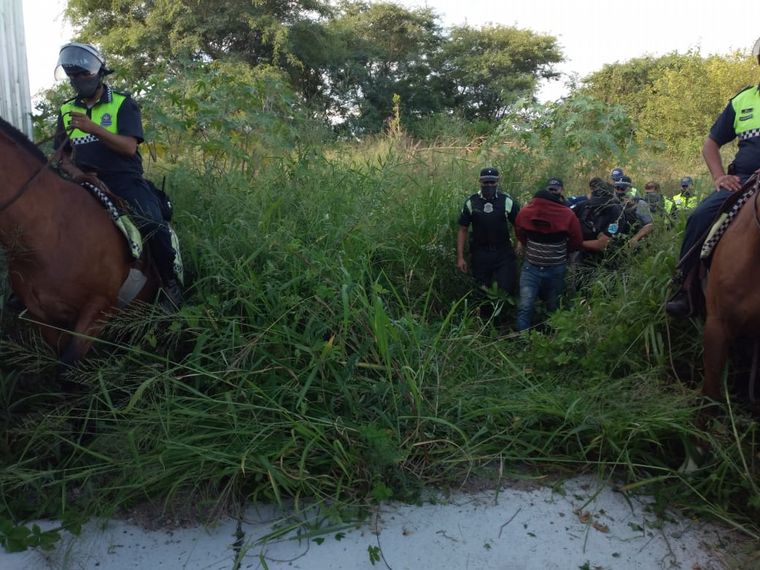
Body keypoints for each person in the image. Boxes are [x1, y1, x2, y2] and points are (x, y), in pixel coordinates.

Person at [54, 42, 183, 311]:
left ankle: (170, 283)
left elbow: (128, 147)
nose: (78, 80)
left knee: (151, 222)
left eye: (84, 74)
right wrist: (78, 174)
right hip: (84, 181)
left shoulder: (123, 103)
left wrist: (93, 128)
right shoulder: (66, 110)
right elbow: (61, 156)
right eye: (73, 75)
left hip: (124, 179)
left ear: (99, 73)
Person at [666, 36, 760, 318]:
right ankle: (686, 288)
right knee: (699, 216)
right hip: (743, 181)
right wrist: (719, 176)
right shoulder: (742, 100)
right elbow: (711, 144)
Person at [514, 177, 582, 332]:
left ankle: (547, 338)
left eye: (555, 189)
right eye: (551, 189)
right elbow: (576, 241)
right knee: (532, 306)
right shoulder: (567, 214)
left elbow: (520, 233)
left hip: (549, 268)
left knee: (546, 306)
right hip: (537, 268)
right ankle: (526, 339)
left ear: (561, 190)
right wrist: (564, 252)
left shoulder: (528, 212)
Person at [457, 167, 520, 321]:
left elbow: (518, 224)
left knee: (505, 287)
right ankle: (485, 323)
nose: (489, 185)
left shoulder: (506, 201)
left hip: (503, 252)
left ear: (497, 182)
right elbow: (463, 229)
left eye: (492, 182)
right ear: (480, 182)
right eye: (486, 182)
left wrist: (519, 244)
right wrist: (460, 257)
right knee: (482, 290)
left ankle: (502, 320)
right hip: (480, 253)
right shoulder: (472, 202)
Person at [613, 176, 654, 247]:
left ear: (630, 190)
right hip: (616, 241)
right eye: (617, 188)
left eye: (622, 188)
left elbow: (649, 225)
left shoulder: (640, 204)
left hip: (633, 241)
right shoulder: (613, 203)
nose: (619, 191)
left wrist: (635, 238)